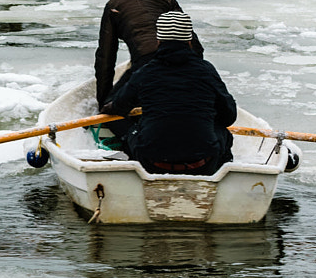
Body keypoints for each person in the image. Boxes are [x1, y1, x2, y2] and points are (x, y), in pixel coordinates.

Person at [99, 11, 237, 176]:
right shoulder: (206, 70)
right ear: (189, 40)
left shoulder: (146, 71)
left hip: (152, 163)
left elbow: (120, 107)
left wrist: (110, 107)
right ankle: (222, 175)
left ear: (158, 40)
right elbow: (229, 116)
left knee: (132, 131)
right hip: (203, 163)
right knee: (222, 131)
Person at [94, 0, 202, 107]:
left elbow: (106, 58)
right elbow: (190, 37)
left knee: (116, 107)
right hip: (181, 57)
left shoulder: (114, 5)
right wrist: (197, 73)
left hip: (145, 63)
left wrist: (104, 100)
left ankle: (134, 130)